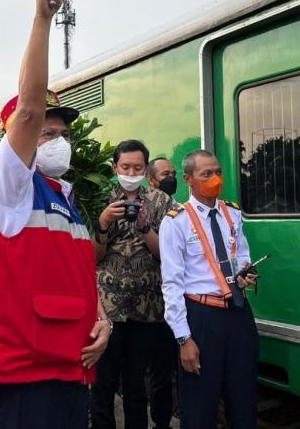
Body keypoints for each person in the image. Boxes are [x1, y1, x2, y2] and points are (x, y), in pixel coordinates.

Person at [0, 0, 112, 429]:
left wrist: (101, 319)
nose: (57, 139)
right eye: (46, 131)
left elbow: (74, 275)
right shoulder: (11, 185)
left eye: (62, 133)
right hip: (21, 374)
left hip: (66, 367)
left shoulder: (62, 197)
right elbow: (26, 109)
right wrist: (42, 19)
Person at [159, 150, 259, 429]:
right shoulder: (176, 221)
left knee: (243, 397)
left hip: (238, 312)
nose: (215, 179)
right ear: (188, 179)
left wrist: (244, 272)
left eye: (217, 172)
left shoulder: (232, 213)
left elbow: (241, 254)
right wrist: (183, 338)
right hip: (201, 317)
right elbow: (172, 282)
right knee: (200, 406)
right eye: (206, 174)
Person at [91, 140, 173, 429]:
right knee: (103, 382)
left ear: (146, 168)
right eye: (125, 166)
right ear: (115, 167)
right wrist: (102, 223)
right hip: (107, 308)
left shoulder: (162, 202)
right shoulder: (99, 197)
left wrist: (144, 227)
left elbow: (166, 254)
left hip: (146, 307)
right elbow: (92, 257)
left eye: (138, 167)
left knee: (136, 384)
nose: (131, 171)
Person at [146, 157, 182, 428]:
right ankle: (161, 421)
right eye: (165, 174)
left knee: (171, 370)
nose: (171, 177)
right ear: (152, 180)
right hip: (150, 305)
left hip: (174, 305)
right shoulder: (145, 208)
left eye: (173, 173)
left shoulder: (180, 210)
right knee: (159, 372)